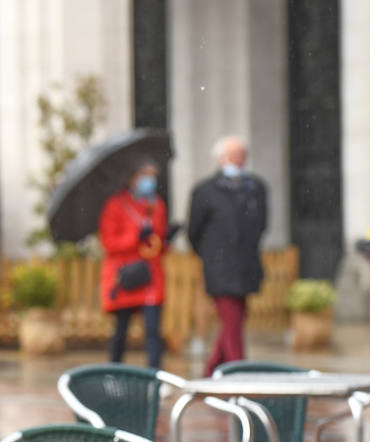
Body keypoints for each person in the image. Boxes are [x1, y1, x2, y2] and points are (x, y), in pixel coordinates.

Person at [187, 136, 269, 375]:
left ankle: (211, 371)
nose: (239, 160)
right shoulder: (205, 191)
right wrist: (213, 255)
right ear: (221, 158)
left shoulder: (256, 188)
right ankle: (240, 373)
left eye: (242, 155)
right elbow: (195, 232)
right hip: (219, 267)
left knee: (234, 321)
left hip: (246, 265)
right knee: (232, 321)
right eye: (234, 155)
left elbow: (262, 225)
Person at [98, 161, 171, 369]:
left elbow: (157, 242)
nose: (150, 180)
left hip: (151, 276)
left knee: (153, 331)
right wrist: (134, 237)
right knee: (121, 331)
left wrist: (167, 241)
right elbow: (108, 242)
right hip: (126, 275)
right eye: (144, 175)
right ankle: (114, 372)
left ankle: (155, 376)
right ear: (132, 178)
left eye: (152, 175)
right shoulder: (116, 205)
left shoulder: (157, 205)